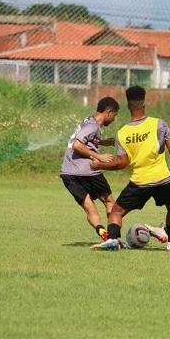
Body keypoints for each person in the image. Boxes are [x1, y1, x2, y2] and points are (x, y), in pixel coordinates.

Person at [90, 85, 170, 251]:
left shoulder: (122, 133)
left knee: (116, 212)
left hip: (139, 182)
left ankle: (112, 239)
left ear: (128, 106)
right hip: (162, 179)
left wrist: (99, 165)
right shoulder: (158, 124)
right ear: (144, 103)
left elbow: (121, 163)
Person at [60, 97, 120, 241]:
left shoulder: (89, 121)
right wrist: (99, 157)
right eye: (115, 115)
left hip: (68, 173)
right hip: (88, 171)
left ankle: (100, 230)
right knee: (110, 202)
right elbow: (77, 145)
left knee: (90, 207)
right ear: (109, 112)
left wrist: (102, 142)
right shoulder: (92, 126)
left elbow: (85, 140)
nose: (114, 119)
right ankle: (114, 237)